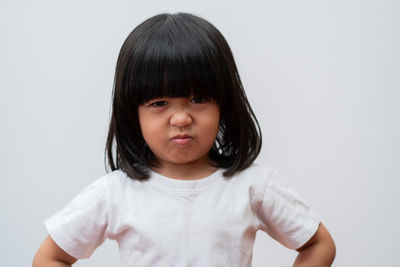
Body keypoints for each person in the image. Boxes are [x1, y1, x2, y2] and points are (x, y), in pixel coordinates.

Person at [33, 12, 335, 267]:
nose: (181, 119)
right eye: (159, 103)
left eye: (198, 98)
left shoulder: (253, 186)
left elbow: (319, 244)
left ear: (224, 104)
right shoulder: (114, 194)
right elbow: (49, 258)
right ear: (132, 113)